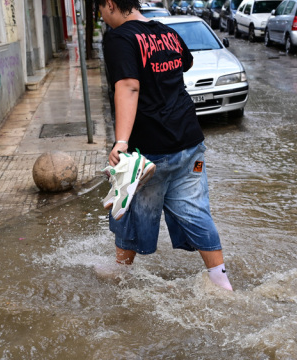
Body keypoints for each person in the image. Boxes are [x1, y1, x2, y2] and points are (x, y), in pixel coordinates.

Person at [98, 0, 233, 291]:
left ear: (109, 4)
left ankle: (121, 273)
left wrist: (121, 142)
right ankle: (221, 281)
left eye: (100, 10)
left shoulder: (119, 38)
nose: (102, 17)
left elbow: (128, 86)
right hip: (189, 140)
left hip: (150, 147)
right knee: (196, 211)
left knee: (128, 204)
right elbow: (186, 62)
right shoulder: (166, 32)